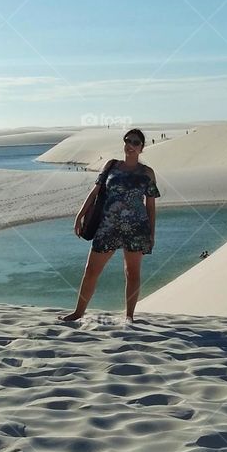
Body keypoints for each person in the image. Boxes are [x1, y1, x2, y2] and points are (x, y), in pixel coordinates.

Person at [59, 128, 160, 325]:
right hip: (108, 227)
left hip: (136, 229)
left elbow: (151, 206)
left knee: (132, 273)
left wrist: (152, 234)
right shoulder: (111, 166)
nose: (130, 145)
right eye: (128, 141)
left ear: (141, 148)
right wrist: (80, 215)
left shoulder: (147, 173)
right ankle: (78, 313)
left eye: (136, 142)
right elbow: (94, 192)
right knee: (91, 270)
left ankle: (129, 316)